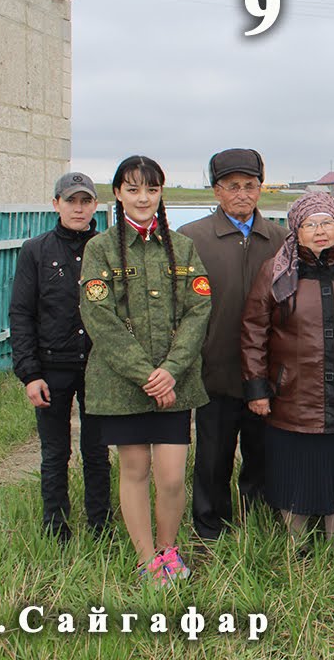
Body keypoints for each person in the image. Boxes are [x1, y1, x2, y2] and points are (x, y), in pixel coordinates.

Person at [79, 155, 211, 584]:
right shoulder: (100, 249)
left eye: (151, 190)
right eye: (133, 189)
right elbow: (99, 318)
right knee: (134, 471)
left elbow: (198, 310)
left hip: (175, 385)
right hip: (124, 385)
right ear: (118, 193)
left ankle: (169, 551)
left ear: (160, 194)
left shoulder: (182, 248)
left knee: (171, 477)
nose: (143, 198)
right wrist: (146, 375)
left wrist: (170, 370)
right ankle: (146, 559)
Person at [240, 193, 334, 552]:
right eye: (310, 224)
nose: (320, 231)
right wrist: (257, 388)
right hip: (293, 394)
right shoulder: (275, 271)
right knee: (294, 473)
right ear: (295, 231)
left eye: (327, 222)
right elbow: (254, 331)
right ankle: (295, 544)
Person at [179, 148, 289, 543]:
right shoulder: (192, 238)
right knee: (213, 455)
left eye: (250, 185)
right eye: (232, 186)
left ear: (260, 189)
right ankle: (211, 528)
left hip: (265, 371)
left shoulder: (279, 239)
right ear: (217, 191)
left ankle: (257, 521)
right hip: (215, 366)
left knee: (261, 452)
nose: (242, 194)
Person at [9, 171, 112, 544]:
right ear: (56, 204)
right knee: (55, 452)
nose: (78, 208)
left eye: (85, 201)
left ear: (95, 205)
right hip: (52, 368)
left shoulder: (107, 249)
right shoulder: (35, 251)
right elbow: (21, 314)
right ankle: (55, 528)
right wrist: (30, 374)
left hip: (98, 368)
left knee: (97, 451)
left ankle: (101, 526)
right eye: (71, 201)